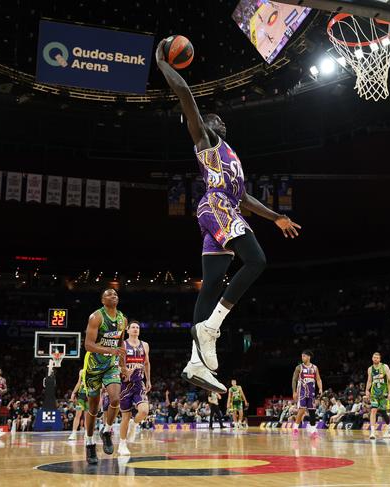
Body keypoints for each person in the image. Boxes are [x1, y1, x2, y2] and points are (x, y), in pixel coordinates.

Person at [155, 40, 301, 394]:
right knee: (256, 259)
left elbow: (246, 198)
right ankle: (211, 328)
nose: (222, 119)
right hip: (217, 207)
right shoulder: (204, 140)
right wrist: (162, 62)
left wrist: (275, 217)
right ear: (204, 125)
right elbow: (185, 92)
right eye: (215, 117)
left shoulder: (231, 155)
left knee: (211, 285)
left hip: (224, 209)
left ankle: (195, 362)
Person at [81, 288, 127, 465]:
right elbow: (88, 345)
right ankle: (89, 442)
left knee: (115, 399)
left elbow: (120, 343)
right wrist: (110, 350)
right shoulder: (96, 317)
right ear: (102, 300)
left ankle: (107, 431)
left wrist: (122, 365)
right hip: (93, 367)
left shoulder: (123, 319)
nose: (113, 296)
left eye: (115, 294)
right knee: (92, 409)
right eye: (109, 294)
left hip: (111, 366)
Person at [118, 321, 151, 456]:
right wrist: (126, 370)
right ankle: (122, 444)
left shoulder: (145, 345)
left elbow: (147, 363)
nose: (136, 329)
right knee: (125, 416)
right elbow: (117, 365)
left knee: (144, 411)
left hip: (139, 383)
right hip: (124, 384)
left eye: (138, 327)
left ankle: (135, 423)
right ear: (127, 330)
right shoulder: (123, 344)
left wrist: (148, 379)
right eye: (133, 327)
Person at [291, 350, 323, 437]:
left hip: (311, 392)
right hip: (302, 392)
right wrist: (294, 392)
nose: (302, 358)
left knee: (312, 410)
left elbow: (318, 379)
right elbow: (294, 380)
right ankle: (295, 427)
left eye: (304, 356)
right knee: (302, 410)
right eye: (302, 356)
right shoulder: (299, 367)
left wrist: (320, 388)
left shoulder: (315, 368)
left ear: (309, 357)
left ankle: (313, 431)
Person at [364, 352, 390, 440]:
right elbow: (369, 381)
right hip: (374, 393)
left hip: (383, 392)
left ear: (379, 359)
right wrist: (367, 390)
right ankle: (372, 432)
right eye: (374, 357)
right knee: (373, 410)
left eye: (377, 357)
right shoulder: (370, 369)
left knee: (383, 412)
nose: (375, 359)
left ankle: (389, 426)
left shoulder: (385, 367)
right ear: (372, 358)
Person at [68, 369, 87, 440]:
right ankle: (74, 433)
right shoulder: (82, 371)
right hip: (81, 395)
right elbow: (79, 383)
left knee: (87, 416)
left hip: (90, 395)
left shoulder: (96, 369)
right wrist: (73, 393)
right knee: (78, 414)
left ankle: (87, 433)